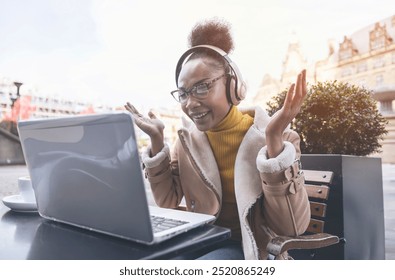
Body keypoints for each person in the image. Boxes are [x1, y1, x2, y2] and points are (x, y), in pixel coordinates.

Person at [125, 18, 310, 260]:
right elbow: (168, 202)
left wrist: (273, 141)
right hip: (201, 241)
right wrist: (157, 140)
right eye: (183, 93)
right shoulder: (187, 142)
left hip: (249, 250)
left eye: (202, 87)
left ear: (234, 87)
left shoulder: (281, 140)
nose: (190, 103)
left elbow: (292, 227)